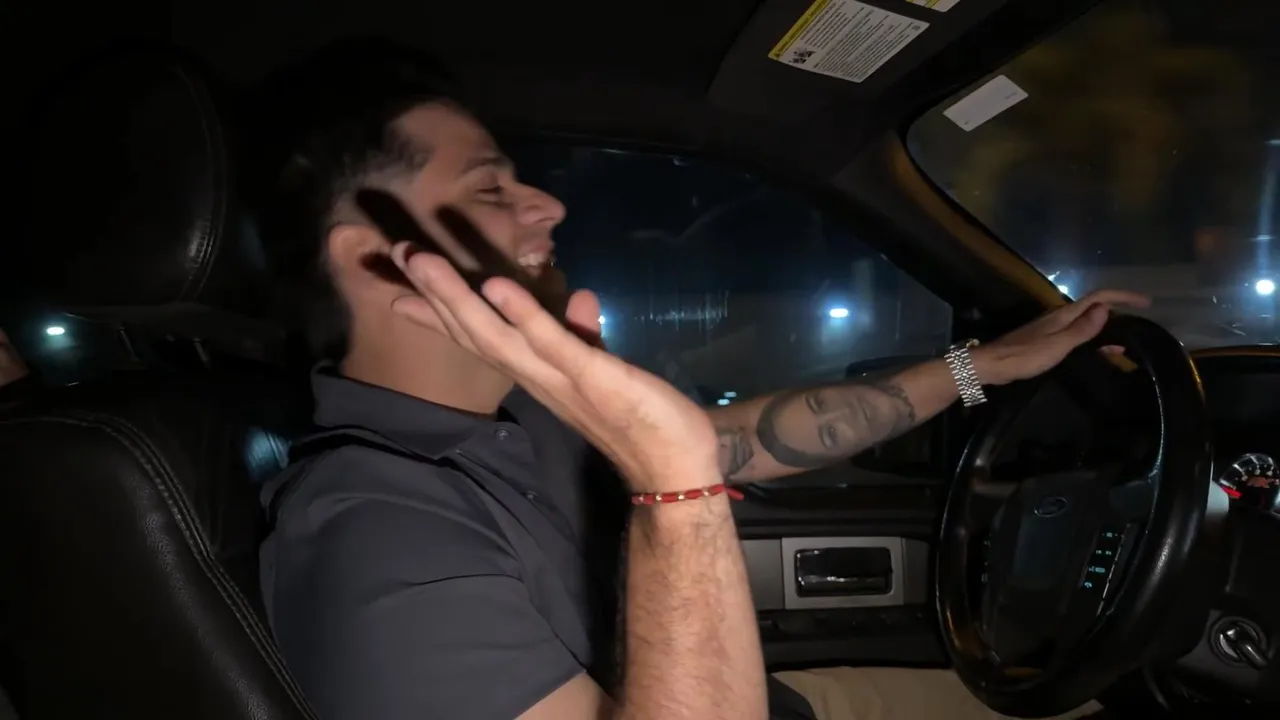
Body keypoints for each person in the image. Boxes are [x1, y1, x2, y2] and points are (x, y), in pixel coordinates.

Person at [255, 47, 1149, 720]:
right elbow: (687, 463)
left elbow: (749, 440)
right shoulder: (371, 538)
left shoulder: (520, 411)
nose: (548, 206)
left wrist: (981, 367)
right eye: (491, 191)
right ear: (376, 260)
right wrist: (672, 487)